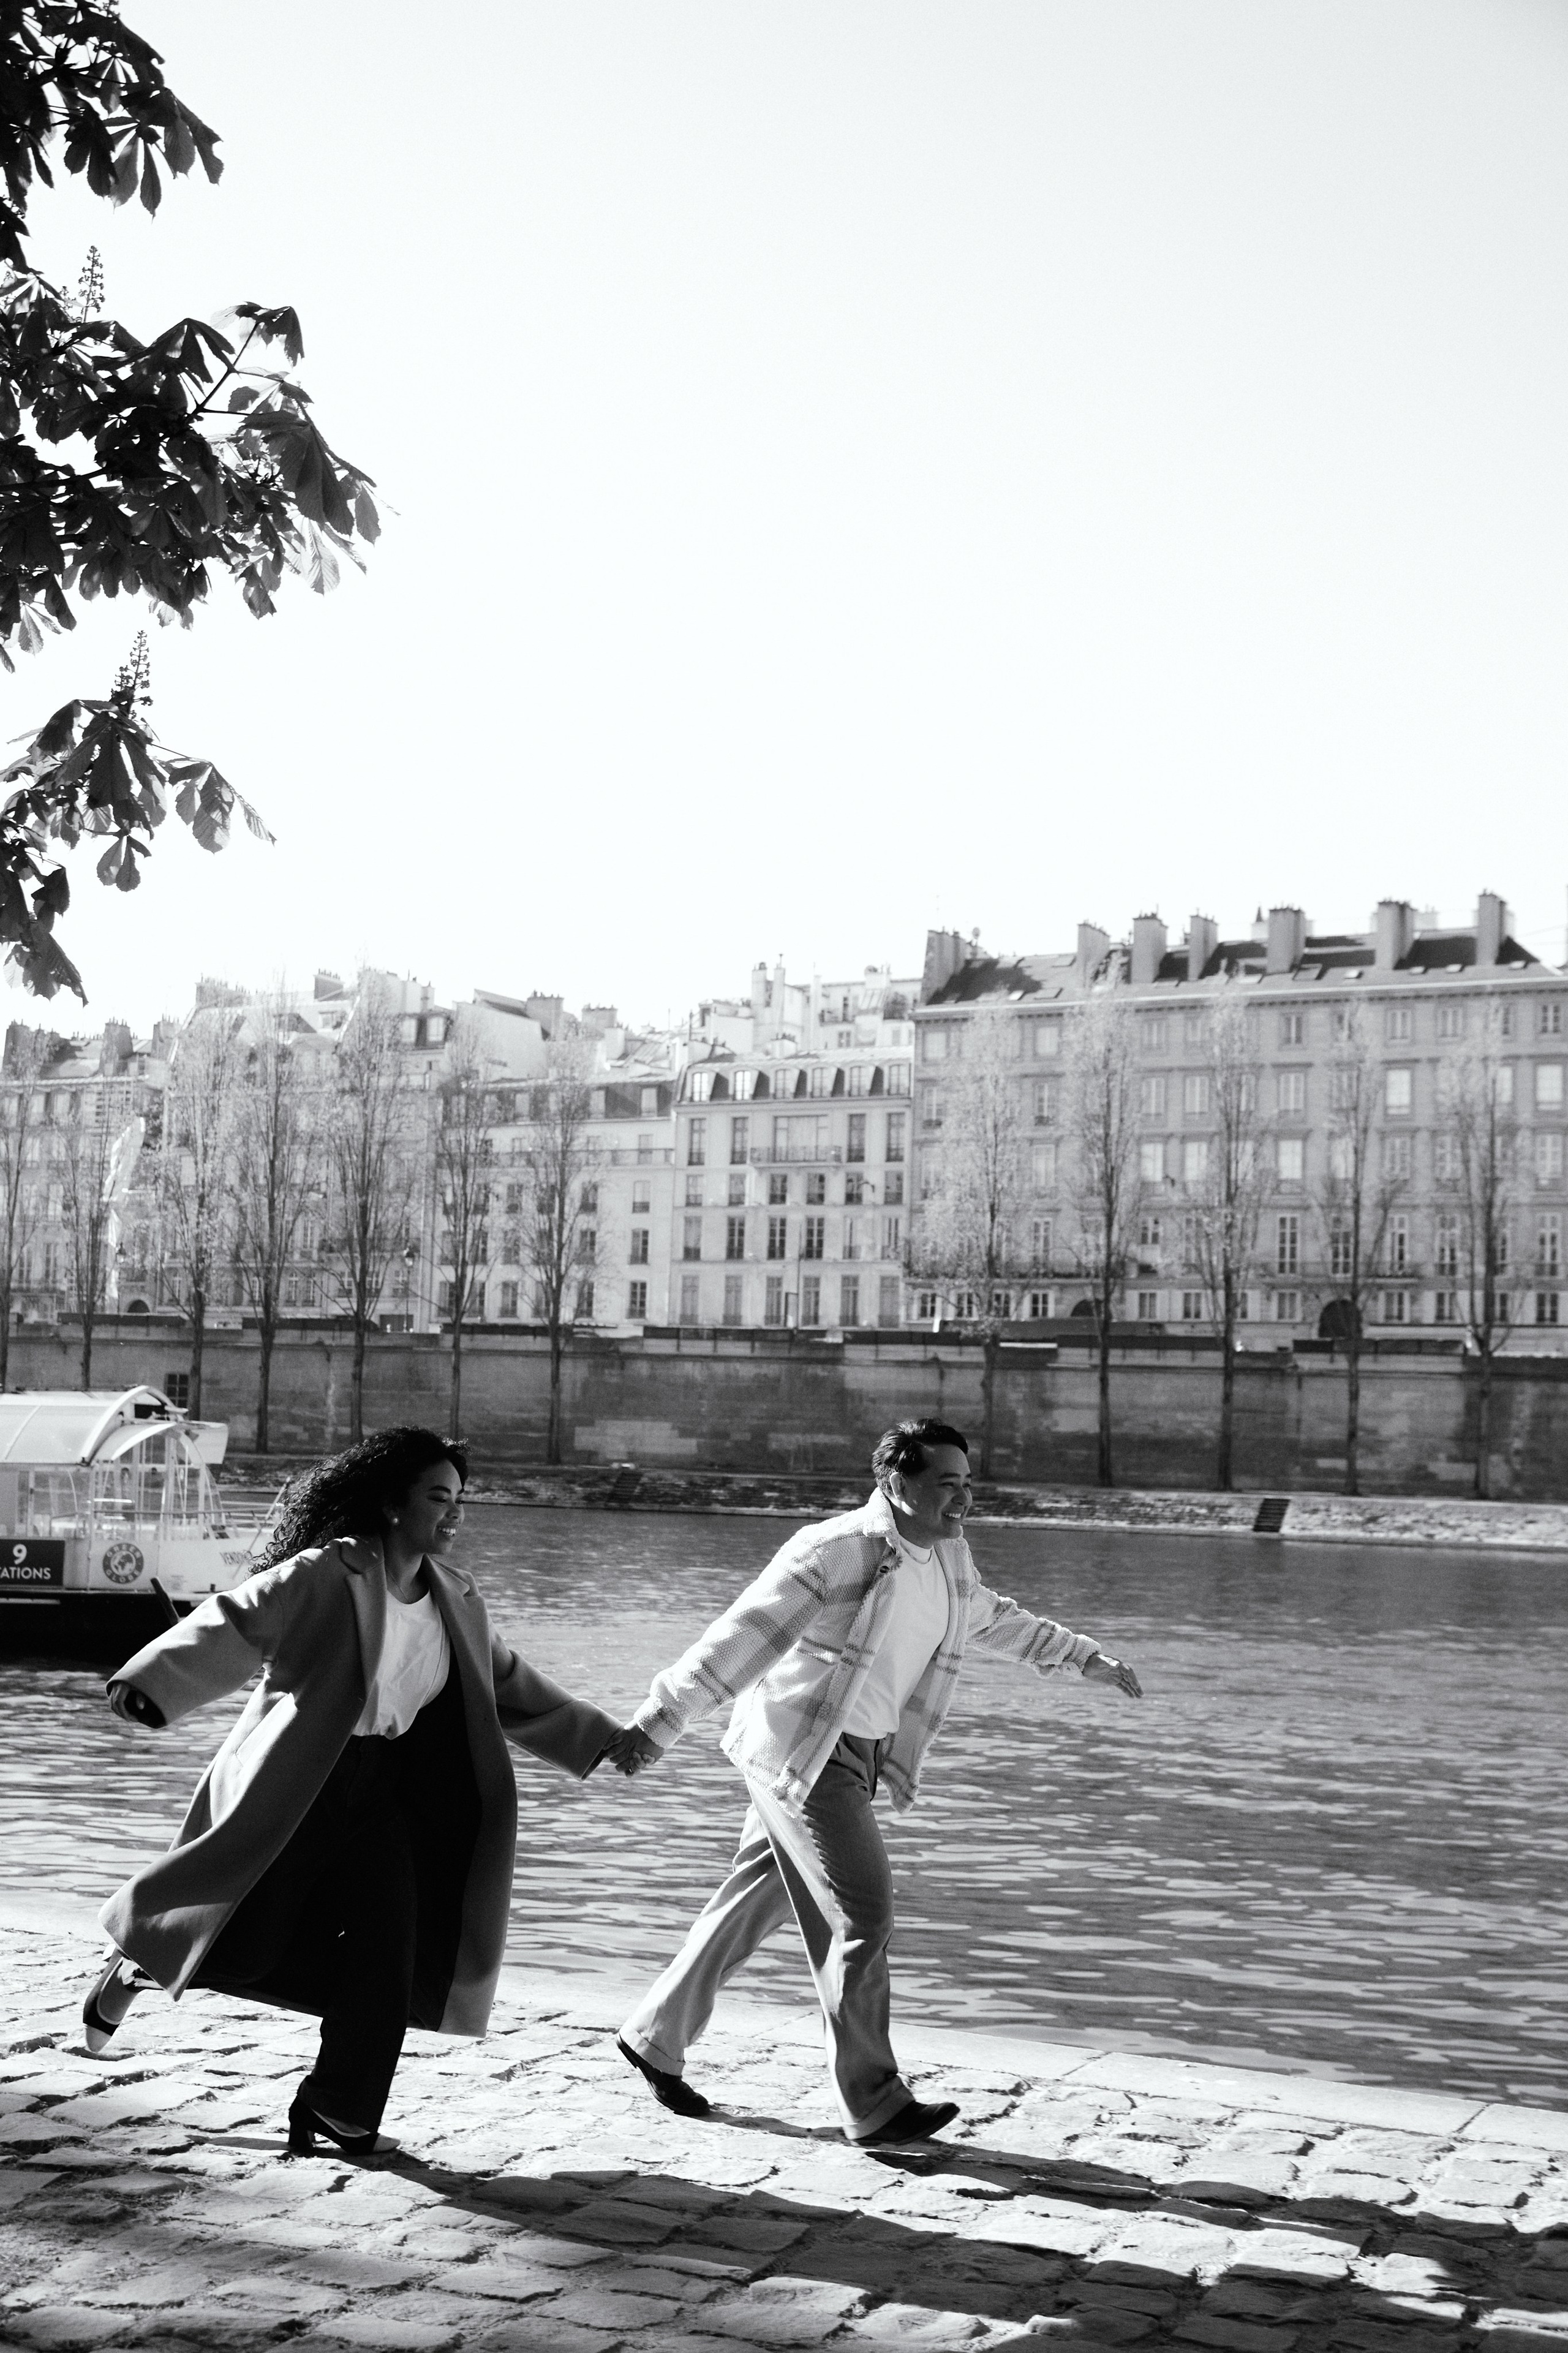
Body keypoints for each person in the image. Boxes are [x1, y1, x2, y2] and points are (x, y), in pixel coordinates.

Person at [83, 1426, 619, 2161]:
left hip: (385, 1792)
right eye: (439, 1497)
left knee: (389, 1953)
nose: (455, 1513)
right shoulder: (328, 1572)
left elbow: (507, 1684)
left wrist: (602, 1739)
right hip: (300, 1781)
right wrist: (152, 1686)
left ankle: (340, 2106)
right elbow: (238, 1619)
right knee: (249, 1949)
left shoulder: (459, 1596)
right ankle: (145, 1958)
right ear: (393, 1504)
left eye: (460, 1499)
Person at [604, 1418, 1142, 2148]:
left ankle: (654, 2037)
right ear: (896, 1482)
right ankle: (874, 2103)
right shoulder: (837, 1550)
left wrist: (1085, 1659)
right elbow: (743, 1636)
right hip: (802, 1751)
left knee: (757, 1899)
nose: (964, 1499)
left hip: (859, 1752)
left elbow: (993, 1619)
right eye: (946, 1484)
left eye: (968, 1483)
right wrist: (659, 1721)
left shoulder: (948, 1558)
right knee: (862, 1916)